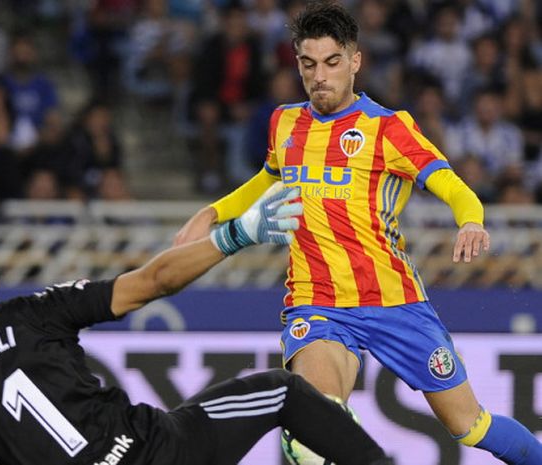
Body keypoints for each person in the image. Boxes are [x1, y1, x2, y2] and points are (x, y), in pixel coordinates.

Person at [174, 2, 542, 464]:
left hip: (394, 301)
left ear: (355, 61)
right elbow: (268, 179)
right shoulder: (284, 123)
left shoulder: (388, 129)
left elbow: (452, 185)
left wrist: (470, 218)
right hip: (318, 301)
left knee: (470, 426)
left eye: (331, 62)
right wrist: (212, 212)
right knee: (315, 425)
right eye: (308, 64)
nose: (319, 76)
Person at [0, 185, 393, 465]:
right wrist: (237, 233)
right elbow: (154, 281)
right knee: (284, 392)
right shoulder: (37, 312)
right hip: (154, 454)